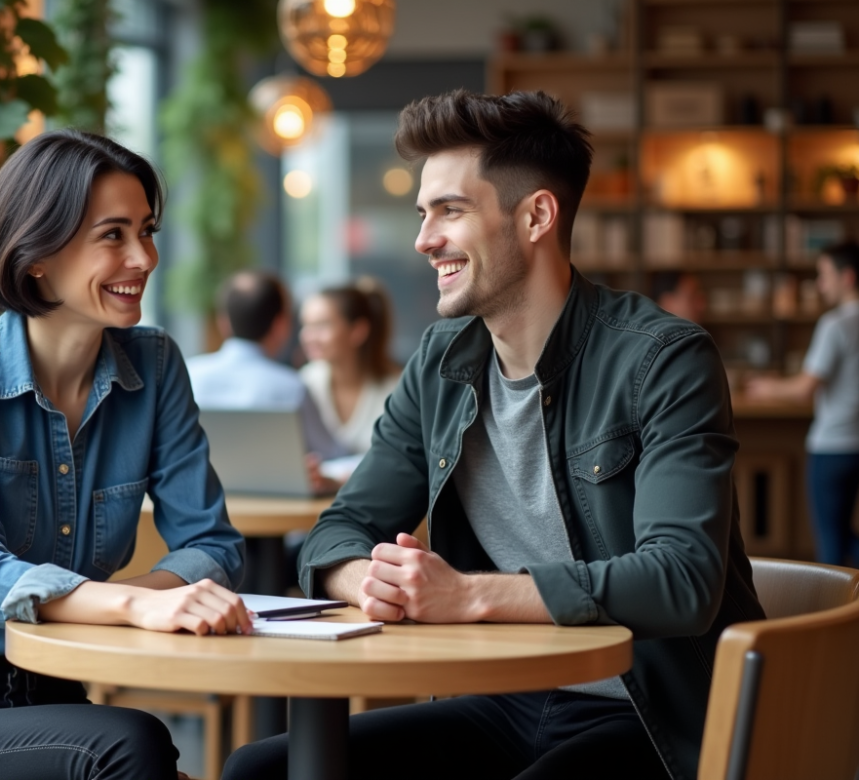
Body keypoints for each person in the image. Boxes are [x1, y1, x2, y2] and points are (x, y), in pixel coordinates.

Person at [223, 89, 764, 780]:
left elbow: (681, 580)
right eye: (423, 214)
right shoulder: (439, 362)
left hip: (649, 715)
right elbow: (339, 529)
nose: (424, 239)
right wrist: (373, 581)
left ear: (536, 216)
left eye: (450, 210)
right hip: (503, 697)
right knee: (256, 770)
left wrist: (469, 595)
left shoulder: (663, 360)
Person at [0, 130, 251, 780]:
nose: (143, 257)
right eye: (112, 235)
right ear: (37, 255)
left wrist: (126, 599)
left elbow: (214, 546)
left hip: (52, 685)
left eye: (147, 231)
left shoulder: (156, 364)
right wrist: (131, 604)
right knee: (132, 746)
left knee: (223, 761)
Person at [746, 240, 859, 566]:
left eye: (824, 275)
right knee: (843, 534)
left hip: (832, 444)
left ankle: (831, 600)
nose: (820, 285)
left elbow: (803, 390)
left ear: (847, 277)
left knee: (831, 543)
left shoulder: (835, 324)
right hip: (855, 443)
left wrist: (765, 388)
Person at [186, 270, 342, 484]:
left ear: (224, 322)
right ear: (281, 325)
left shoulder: (188, 373)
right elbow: (333, 456)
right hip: (276, 504)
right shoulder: (292, 387)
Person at [298, 278, 402, 478]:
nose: (308, 337)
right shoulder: (305, 382)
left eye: (321, 325)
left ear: (357, 331)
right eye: (306, 325)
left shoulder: (397, 389)